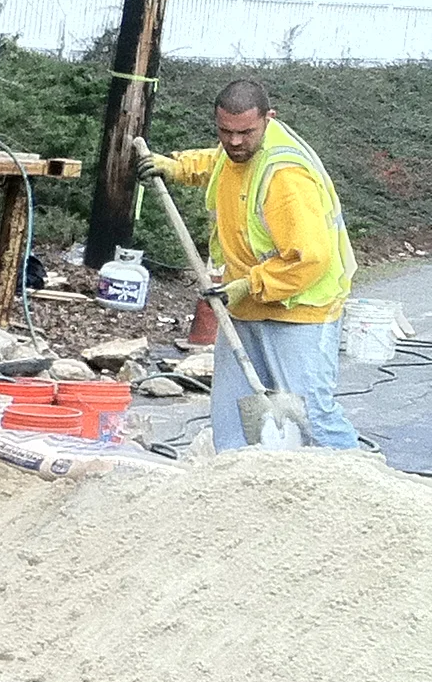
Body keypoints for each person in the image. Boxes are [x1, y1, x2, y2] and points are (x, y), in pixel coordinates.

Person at [148, 78, 359, 450]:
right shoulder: (237, 153)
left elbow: (310, 258)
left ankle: (355, 491)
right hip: (246, 305)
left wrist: (247, 285)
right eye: (224, 131)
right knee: (238, 413)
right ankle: (238, 489)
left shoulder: (286, 176)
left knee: (309, 414)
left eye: (245, 132)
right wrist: (174, 167)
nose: (234, 142)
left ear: (269, 119)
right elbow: (216, 162)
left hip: (301, 310)